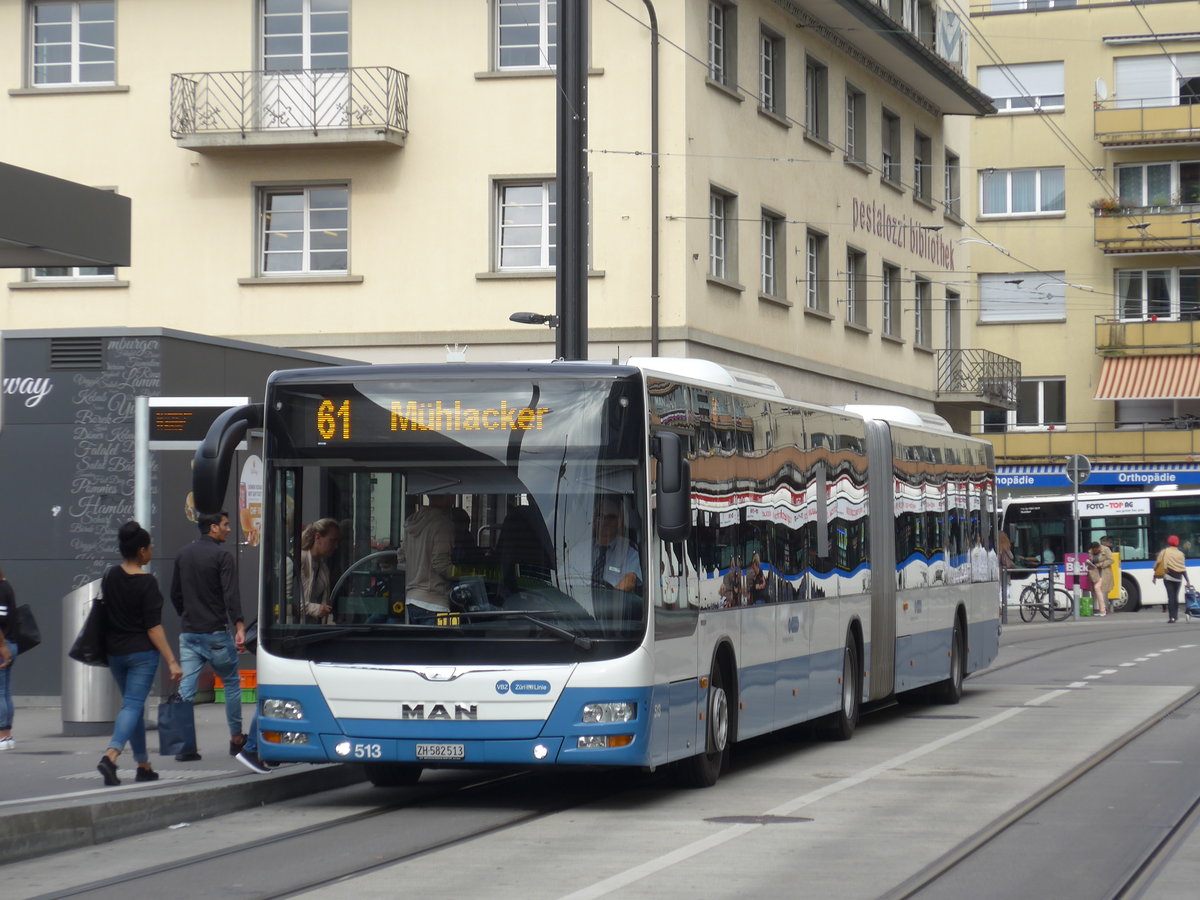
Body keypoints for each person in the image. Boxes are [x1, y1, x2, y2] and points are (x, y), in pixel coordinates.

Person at [98, 522, 182, 786]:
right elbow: (153, 628)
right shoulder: (147, 582)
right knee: (133, 706)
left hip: (115, 652)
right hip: (141, 654)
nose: (152, 550)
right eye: (149, 547)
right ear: (141, 551)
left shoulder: (110, 575)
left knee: (130, 707)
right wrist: (171, 660)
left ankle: (143, 765)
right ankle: (111, 755)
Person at [171, 510, 247, 762]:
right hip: (215, 632)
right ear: (214, 527)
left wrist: (187, 614)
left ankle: (184, 746)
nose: (229, 529)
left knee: (186, 688)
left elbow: (175, 594)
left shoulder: (183, 554)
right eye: (226, 524)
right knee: (231, 683)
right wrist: (239, 625)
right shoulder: (222, 556)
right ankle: (236, 740)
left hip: (189, 632)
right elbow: (231, 594)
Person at [399, 495, 456, 624]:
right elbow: (441, 565)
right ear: (447, 497)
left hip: (412, 600)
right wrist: (468, 573)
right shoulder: (443, 524)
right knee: (446, 637)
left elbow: (401, 557)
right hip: (435, 603)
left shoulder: (412, 522)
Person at [586, 497, 642, 593]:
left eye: (611, 517)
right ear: (594, 521)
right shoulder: (579, 550)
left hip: (615, 602)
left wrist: (609, 598)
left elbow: (631, 580)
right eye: (600, 516)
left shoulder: (630, 552)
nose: (604, 521)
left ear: (619, 522)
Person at [294, 518, 341, 624]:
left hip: (313, 627)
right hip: (295, 628)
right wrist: (315, 609)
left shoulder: (324, 569)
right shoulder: (297, 560)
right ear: (318, 537)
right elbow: (284, 603)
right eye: (332, 540)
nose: (336, 546)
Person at [1153, 534, 1192, 623]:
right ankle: (1176, 616)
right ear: (1177, 542)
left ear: (1169, 542)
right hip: (1178, 578)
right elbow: (1183, 568)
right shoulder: (1181, 554)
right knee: (1175, 597)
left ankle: (1172, 617)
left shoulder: (1165, 551)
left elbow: (1158, 563)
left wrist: (1154, 576)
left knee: (1170, 597)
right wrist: (1187, 580)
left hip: (1168, 577)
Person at [0, 567, 17, 751]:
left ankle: (2, 736)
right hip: (10, 643)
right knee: (4, 691)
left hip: (3, 645)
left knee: (0, 692)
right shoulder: (7, 587)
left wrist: (2, 646)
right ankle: (7, 735)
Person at [1087, 540, 1113, 617]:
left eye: (1096, 550)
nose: (1095, 552)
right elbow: (1090, 560)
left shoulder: (1106, 549)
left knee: (1097, 588)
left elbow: (1111, 560)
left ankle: (1103, 610)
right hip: (1095, 574)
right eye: (1093, 551)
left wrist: (1101, 564)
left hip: (1104, 573)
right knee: (1096, 590)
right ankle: (1101, 609)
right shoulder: (1090, 551)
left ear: (1099, 547)